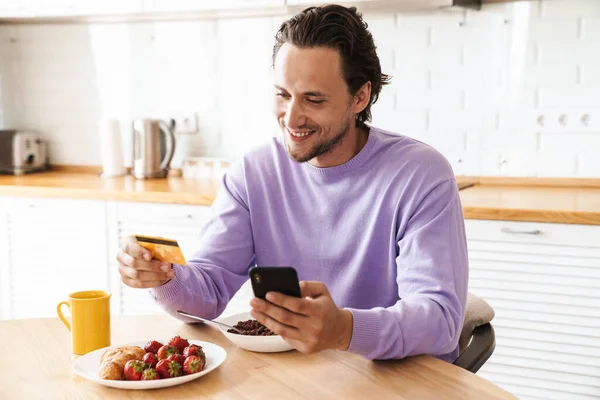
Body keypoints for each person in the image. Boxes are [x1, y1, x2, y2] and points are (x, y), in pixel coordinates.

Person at [117, 4, 468, 362]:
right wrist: (162, 277)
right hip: (298, 378)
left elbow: (440, 320)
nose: (292, 116)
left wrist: (344, 330)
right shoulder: (254, 173)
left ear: (359, 97)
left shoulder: (420, 174)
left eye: (313, 99)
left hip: (399, 380)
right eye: (283, 94)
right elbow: (207, 293)